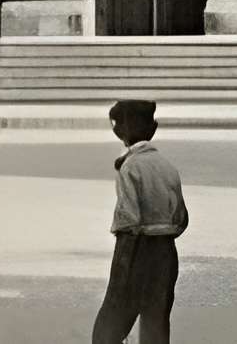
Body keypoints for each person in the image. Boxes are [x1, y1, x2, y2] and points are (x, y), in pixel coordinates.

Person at [91, 98, 187, 344]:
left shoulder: (130, 167)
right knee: (156, 322)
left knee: (113, 317)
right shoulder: (168, 167)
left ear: (120, 132)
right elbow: (182, 219)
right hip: (165, 251)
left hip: (135, 248)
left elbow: (129, 218)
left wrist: (124, 256)